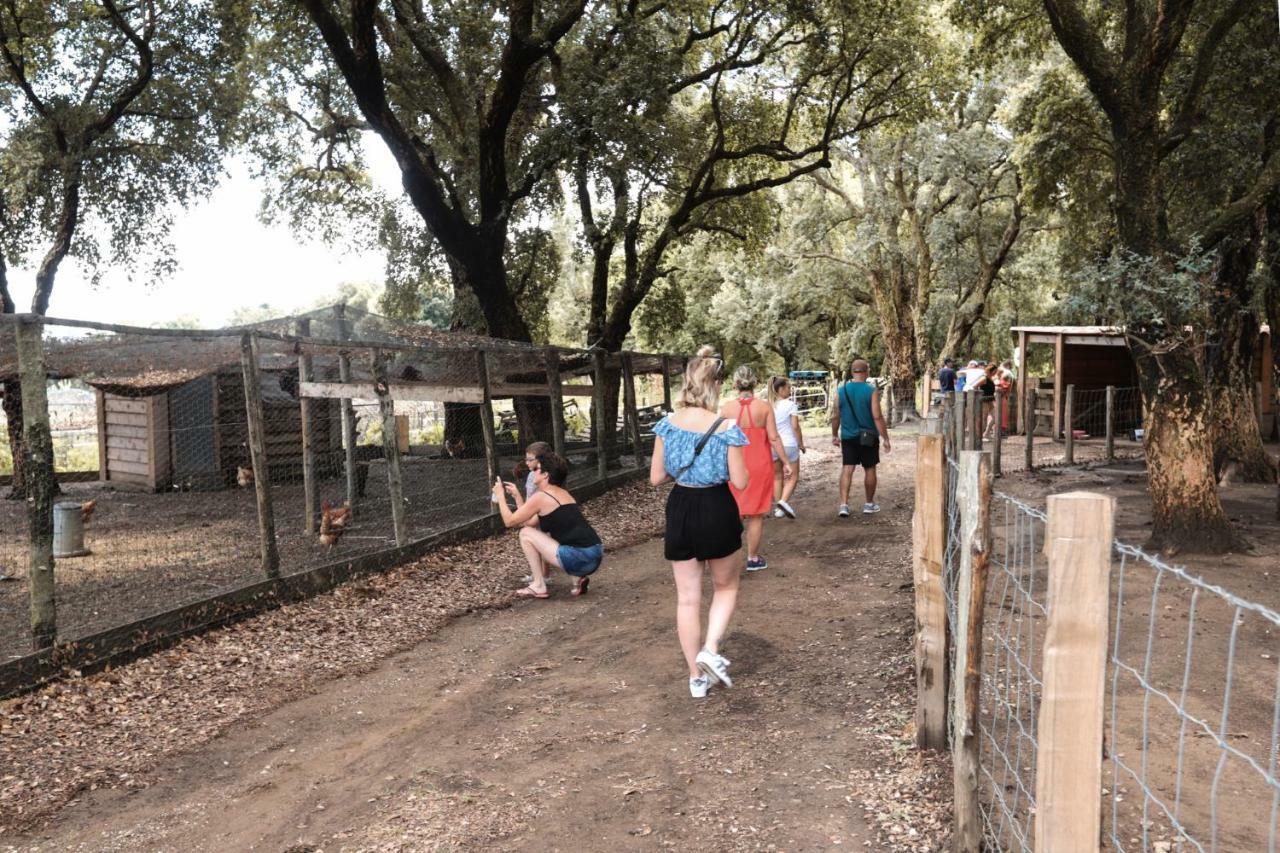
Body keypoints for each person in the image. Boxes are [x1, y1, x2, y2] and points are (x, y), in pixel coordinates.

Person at [650, 346, 750, 699]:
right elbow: (740, 482)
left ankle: (696, 677)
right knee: (725, 587)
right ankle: (710, 648)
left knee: (687, 599)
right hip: (716, 507)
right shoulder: (726, 428)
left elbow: (656, 477)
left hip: (681, 507)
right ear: (715, 387)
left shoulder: (666, 425)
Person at [493, 451, 603, 599]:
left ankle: (538, 585)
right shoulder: (561, 493)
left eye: (536, 469)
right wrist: (517, 496)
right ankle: (577, 578)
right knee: (533, 531)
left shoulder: (541, 497)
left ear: (546, 475)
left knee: (525, 534)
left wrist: (500, 496)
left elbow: (509, 521)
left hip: (581, 558)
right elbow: (530, 522)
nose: (532, 472)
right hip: (595, 553)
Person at [720, 366, 791, 572]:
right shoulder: (764, 407)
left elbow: (720, 439)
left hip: (733, 466)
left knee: (733, 511)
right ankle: (752, 558)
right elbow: (774, 437)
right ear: (755, 382)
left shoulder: (726, 409)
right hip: (759, 465)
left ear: (734, 384)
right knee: (756, 514)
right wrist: (786, 461)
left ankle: (728, 558)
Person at [831, 358, 891, 517]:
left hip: (848, 436)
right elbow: (877, 416)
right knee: (870, 468)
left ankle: (844, 505)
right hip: (868, 436)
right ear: (867, 372)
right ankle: (869, 504)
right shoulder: (871, 390)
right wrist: (885, 438)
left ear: (852, 372)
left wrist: (834, 435)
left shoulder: (841, 391)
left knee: (847, 468)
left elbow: (836, 415)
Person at [769, 376, 805, 519]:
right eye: (788, 387)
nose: (790, 390)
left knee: (777, 477)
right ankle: (783, 502)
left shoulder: (769, 406)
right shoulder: (790, 405)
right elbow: (795, 427)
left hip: (773, 445)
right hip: (789, 444)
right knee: (793, 477)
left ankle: (779, 508)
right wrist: (801, 443)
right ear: (781, 389)